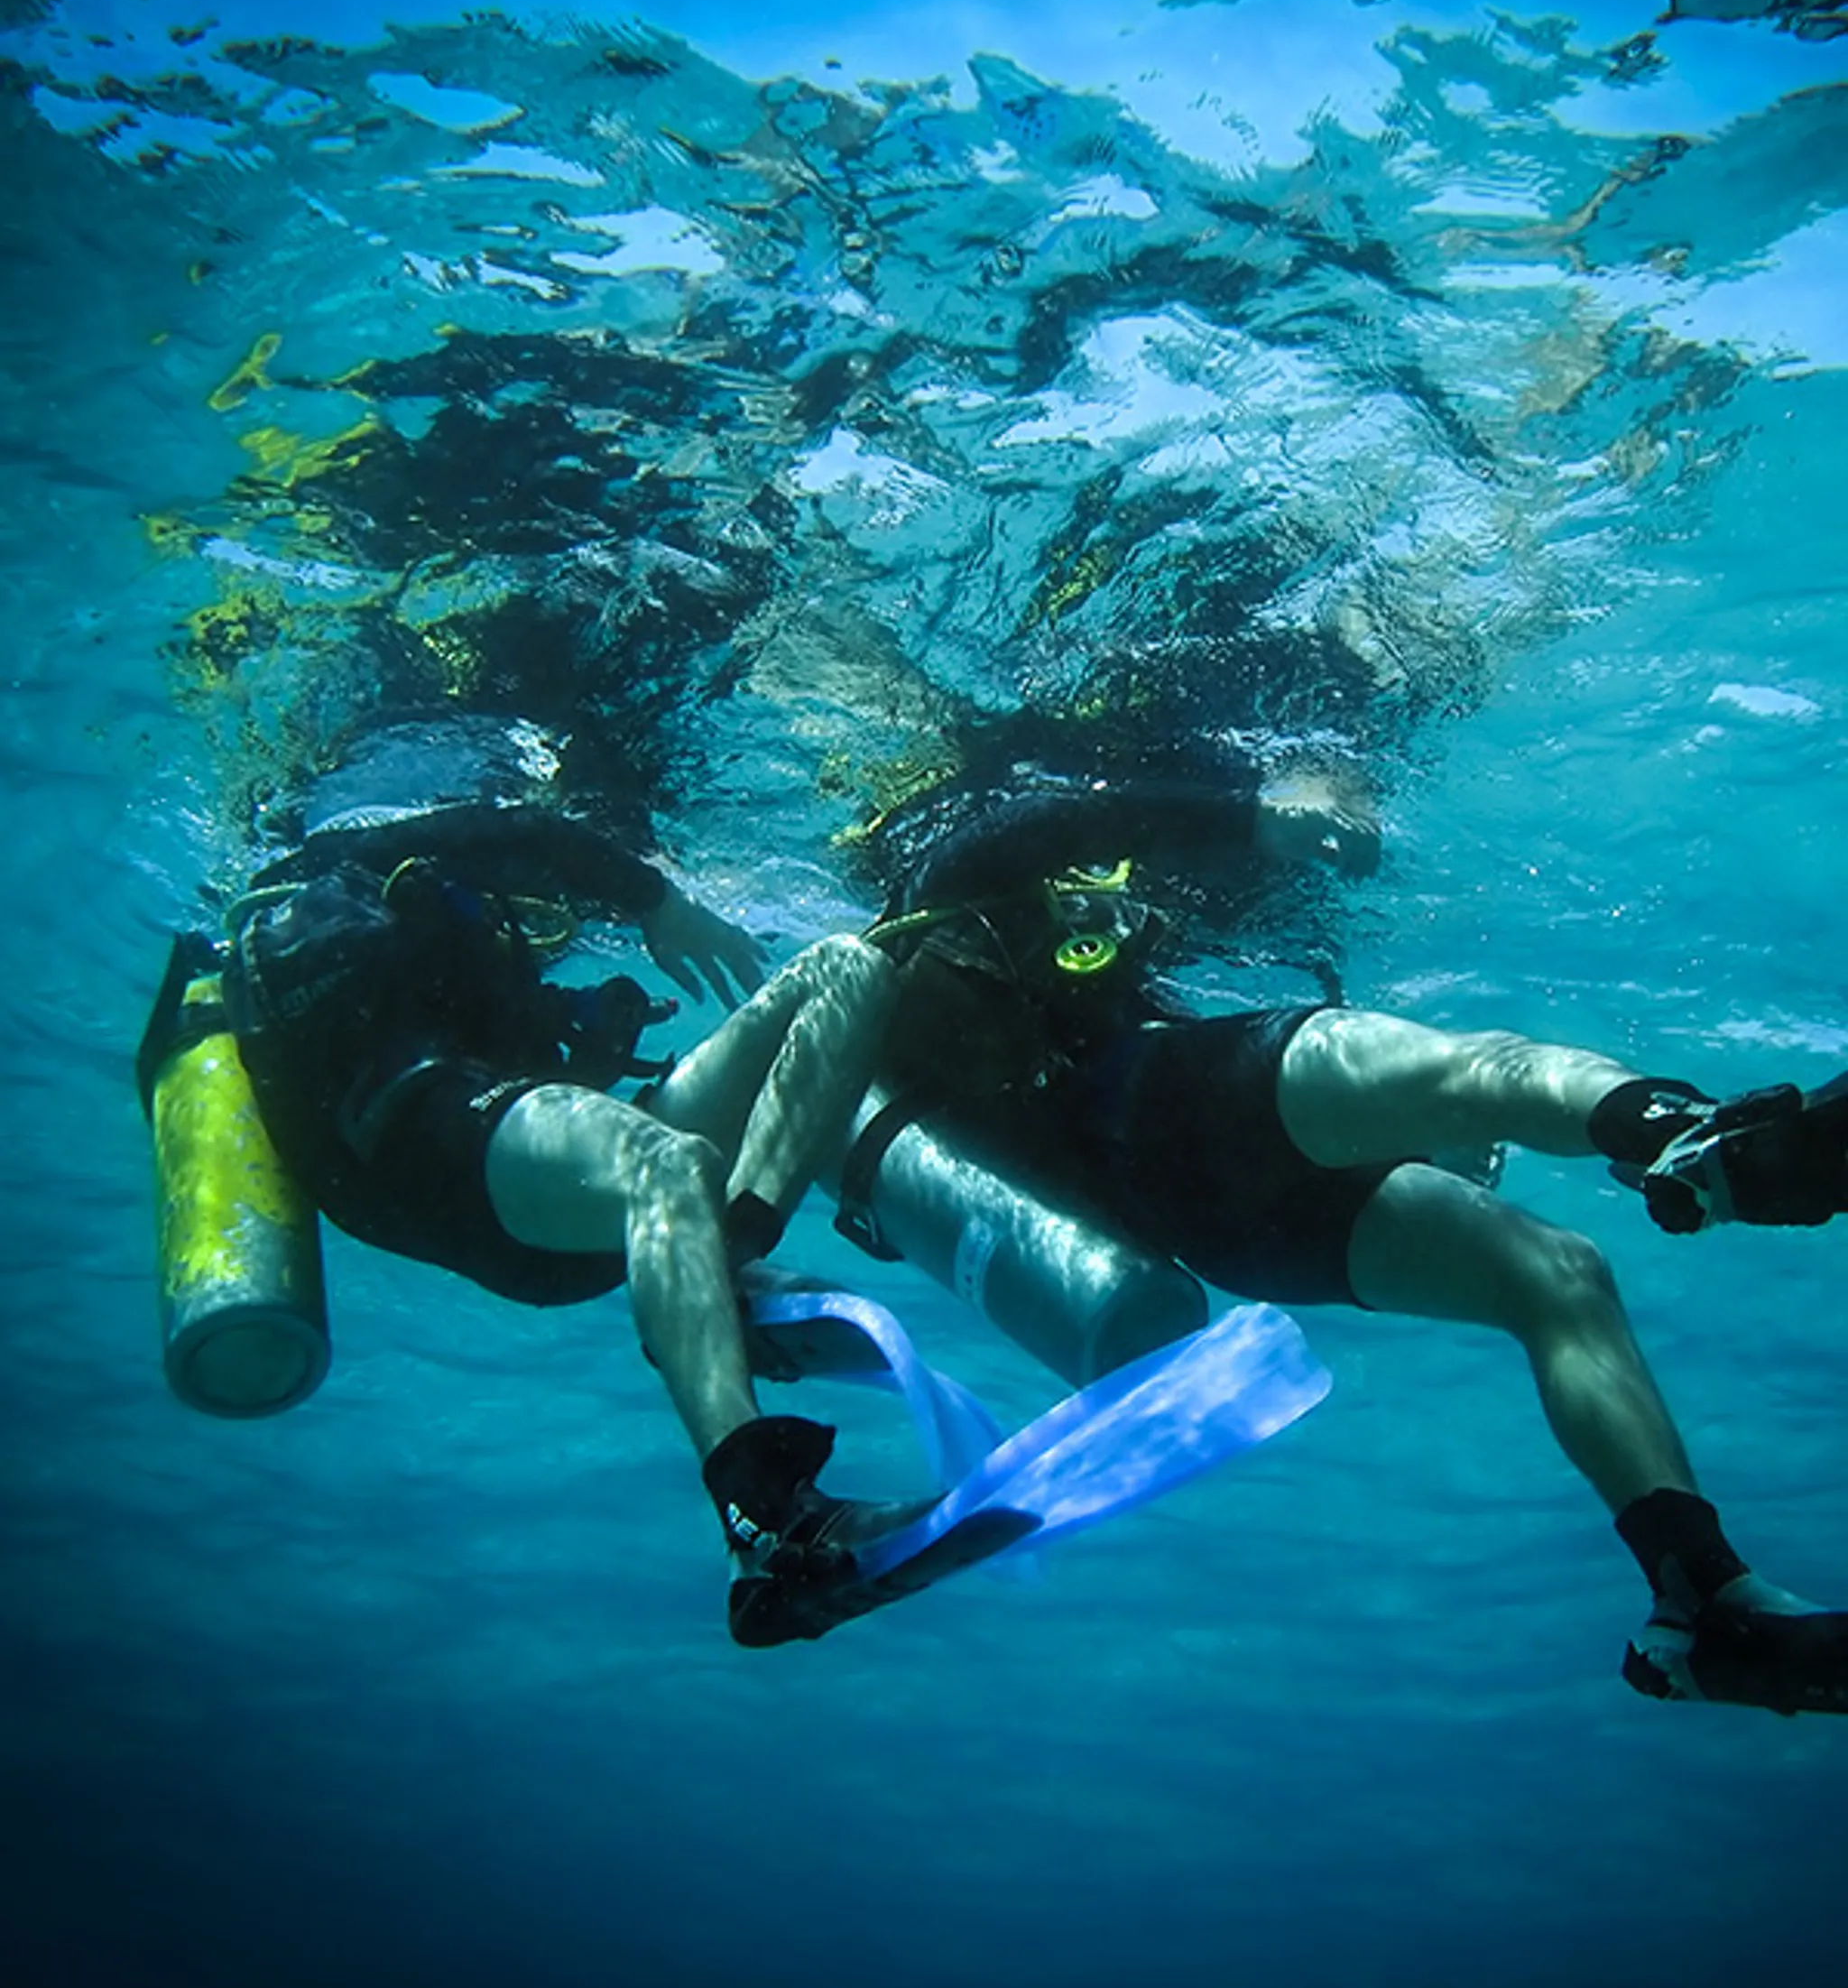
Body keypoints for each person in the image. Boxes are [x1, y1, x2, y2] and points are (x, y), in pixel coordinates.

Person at [838, 744, 1848, 1715]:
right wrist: (1260, 815)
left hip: (1204, 1226)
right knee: (1475, 1070)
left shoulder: (922, 1024)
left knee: (1551, 1274)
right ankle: (1686, 1138)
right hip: (1172, 1104)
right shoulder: (946, 882)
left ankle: (1702, 1600)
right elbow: (1059, 819)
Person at [163, 713, 927, 1645]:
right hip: (431, 1167)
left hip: (541, 1179)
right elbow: (517, 833)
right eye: (537, 918)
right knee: (663, 1160)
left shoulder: (439, 946)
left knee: (845, 970)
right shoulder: (361, 866)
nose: (545, 931)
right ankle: (763, 1524)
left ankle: (720, 1261)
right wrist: (653, 899)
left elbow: (515, 1081)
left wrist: (584, 1039)